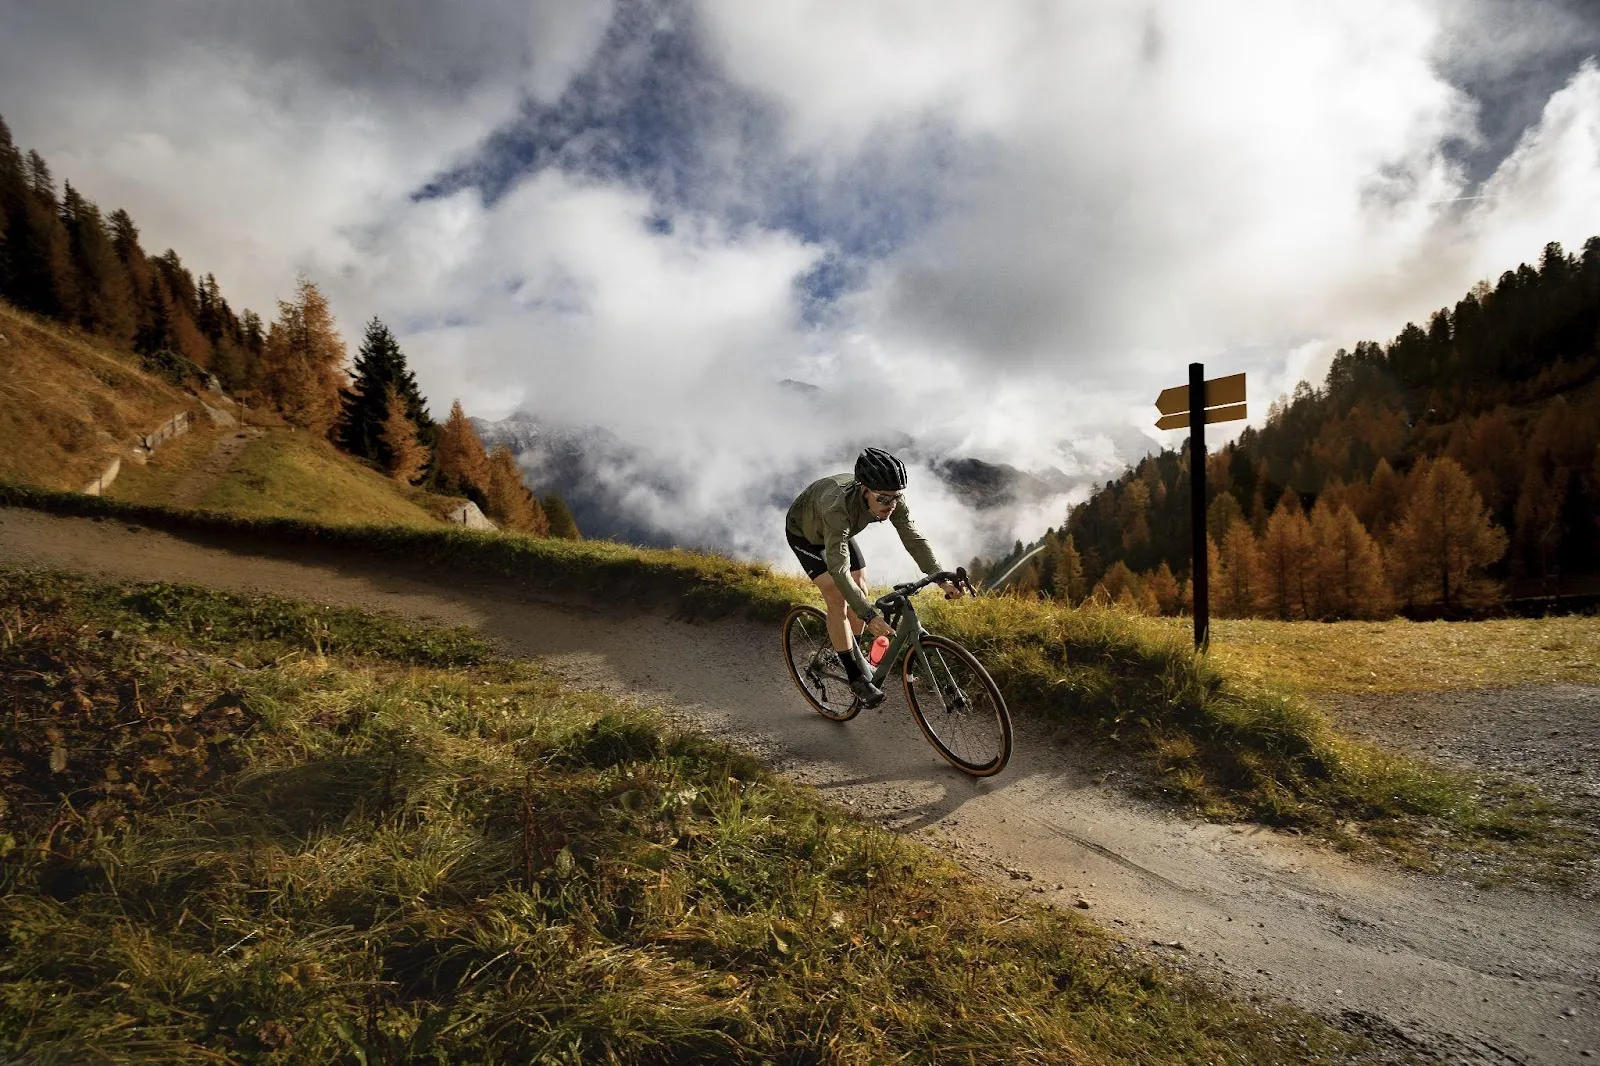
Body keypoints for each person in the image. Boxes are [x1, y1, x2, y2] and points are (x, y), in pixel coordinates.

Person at [785, 447, 960, 707]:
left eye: (896, 498)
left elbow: (913, 539)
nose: (891, 506)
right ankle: (855, 675)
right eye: (883, 499)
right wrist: (870, 616)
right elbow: (839, 570)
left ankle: (846, 649)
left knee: (861, 588)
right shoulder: (838, 510)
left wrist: (940, 577)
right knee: (837, 595)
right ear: (864, 490)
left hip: (838, 532)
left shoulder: (889, 498)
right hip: (806, 534)